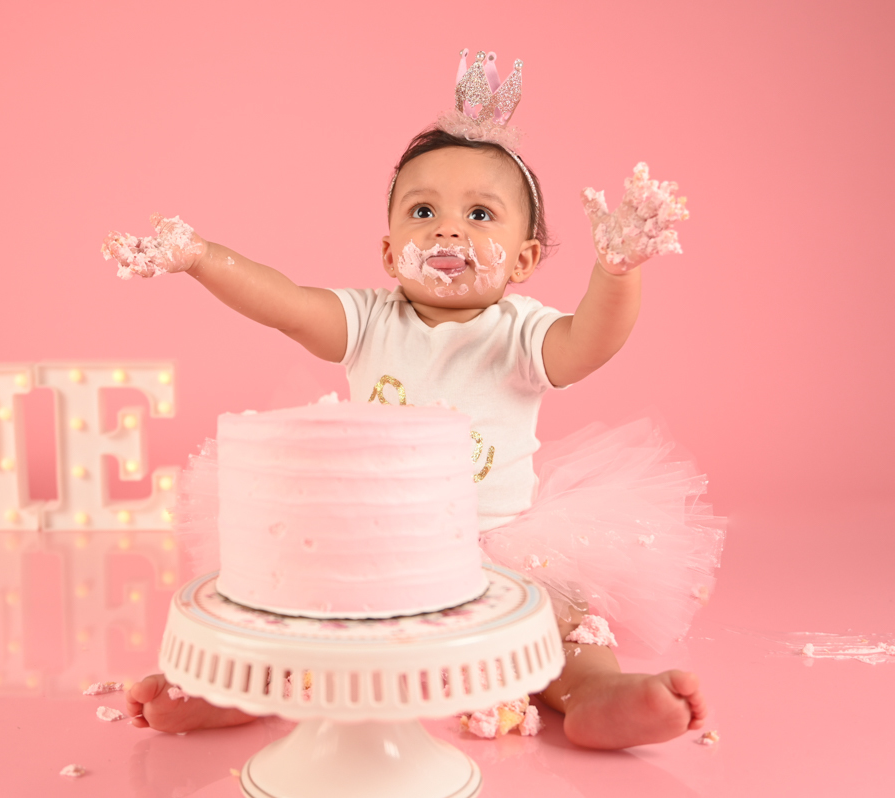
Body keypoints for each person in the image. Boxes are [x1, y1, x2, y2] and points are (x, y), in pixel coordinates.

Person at [103, 50, 722, 750]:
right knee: (299, 607)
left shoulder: (520, 335)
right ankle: (242, 687)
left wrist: (617, 273)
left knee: (562, 619)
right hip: (371, 547)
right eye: (422, 210)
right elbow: (281, 301)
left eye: (481, 214)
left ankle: (594, 692)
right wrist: (202, 256)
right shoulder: (367, 321)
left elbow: (592, 342)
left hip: (502, 545)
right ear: (390, 248)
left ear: (523, 260)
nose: (448, 230)